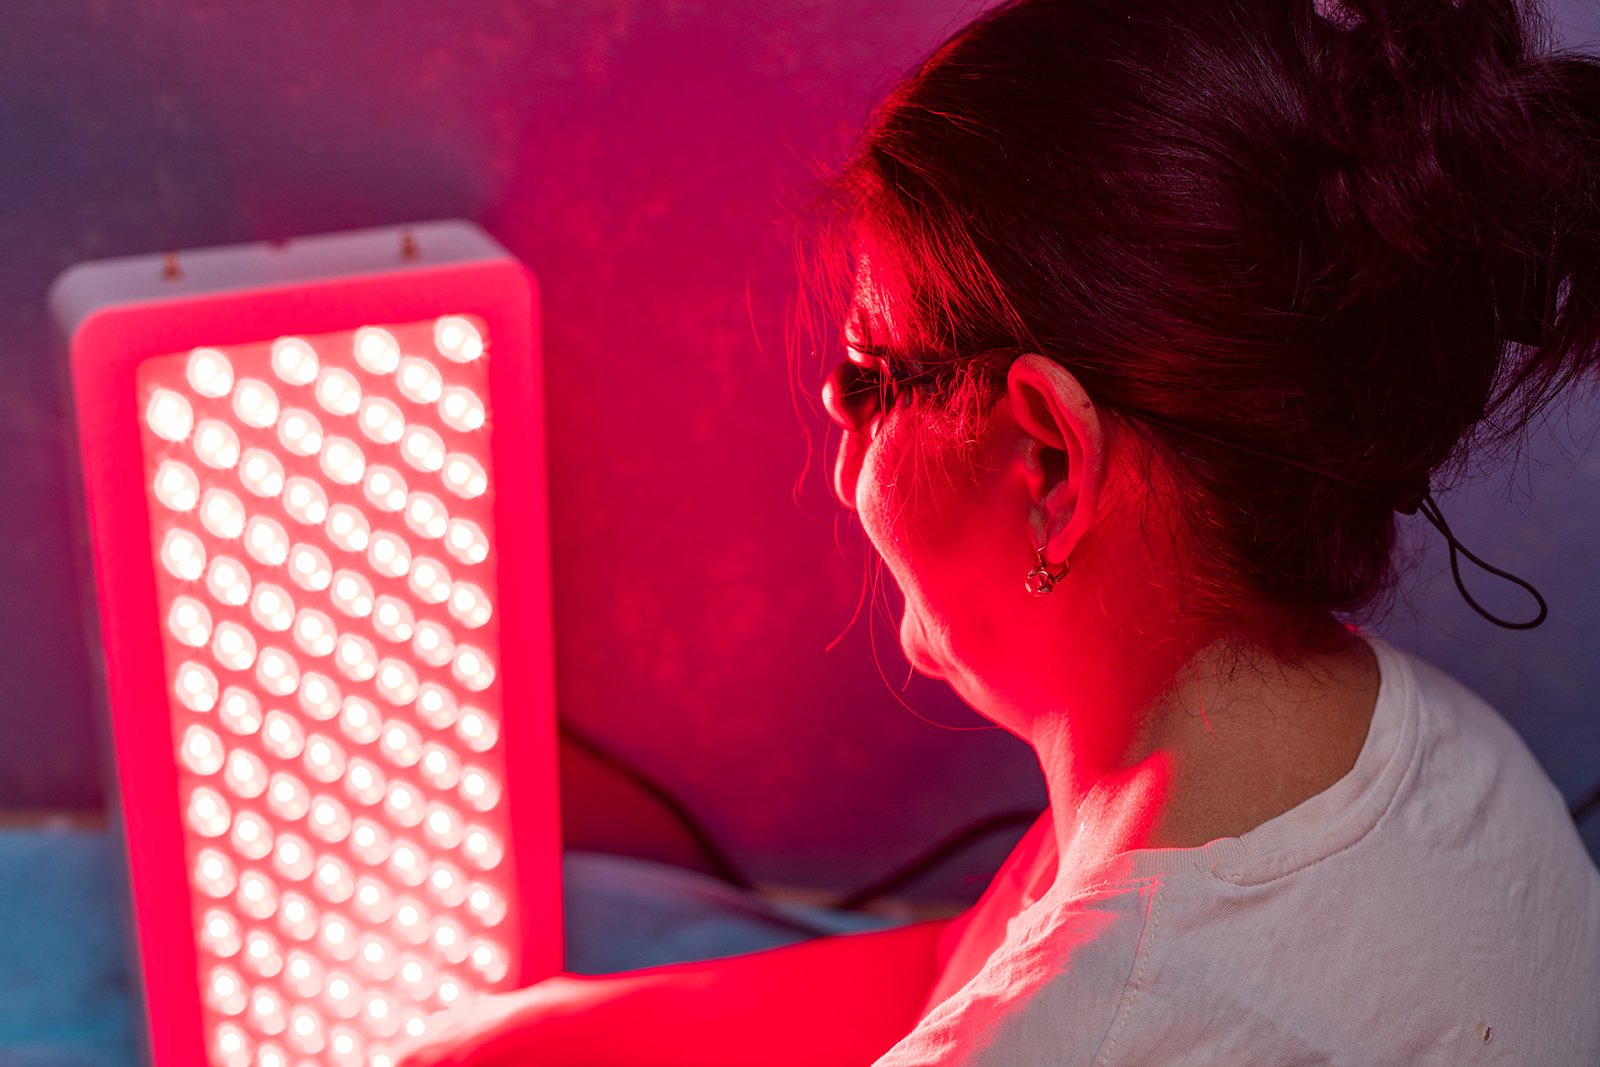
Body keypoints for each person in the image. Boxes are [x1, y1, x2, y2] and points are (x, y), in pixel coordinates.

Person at [399, 0, 1600, 1062]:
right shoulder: (1431, 751)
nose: (838, 443)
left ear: (1049, 460)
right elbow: (972, 966)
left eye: (867, 375)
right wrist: (562, 1029)